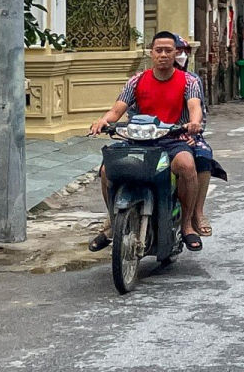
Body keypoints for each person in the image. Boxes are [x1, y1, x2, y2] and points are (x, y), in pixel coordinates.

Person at [88, 31, 206, 251]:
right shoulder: (137, 80)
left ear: (175, 53)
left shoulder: (188, 81)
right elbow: (116, 110)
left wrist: (194, 123)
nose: (163, 55)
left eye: (168, 51)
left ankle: (187, 224)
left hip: (172, 139)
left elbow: (194, 107)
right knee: (107, 169)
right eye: (158, 50)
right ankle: (114, 224)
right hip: (138, 139)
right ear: (151, 53)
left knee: (187, 165)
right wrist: (102, 122)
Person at [175, 37, 227, 236]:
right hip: (152, 135)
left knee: (203, 156)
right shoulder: (143, 80)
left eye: (183, 51)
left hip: (186, 134)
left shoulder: (191, 81)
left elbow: (199, 112)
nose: (180, 55)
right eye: (177, 50)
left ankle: (197, 212)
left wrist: (192, 130)